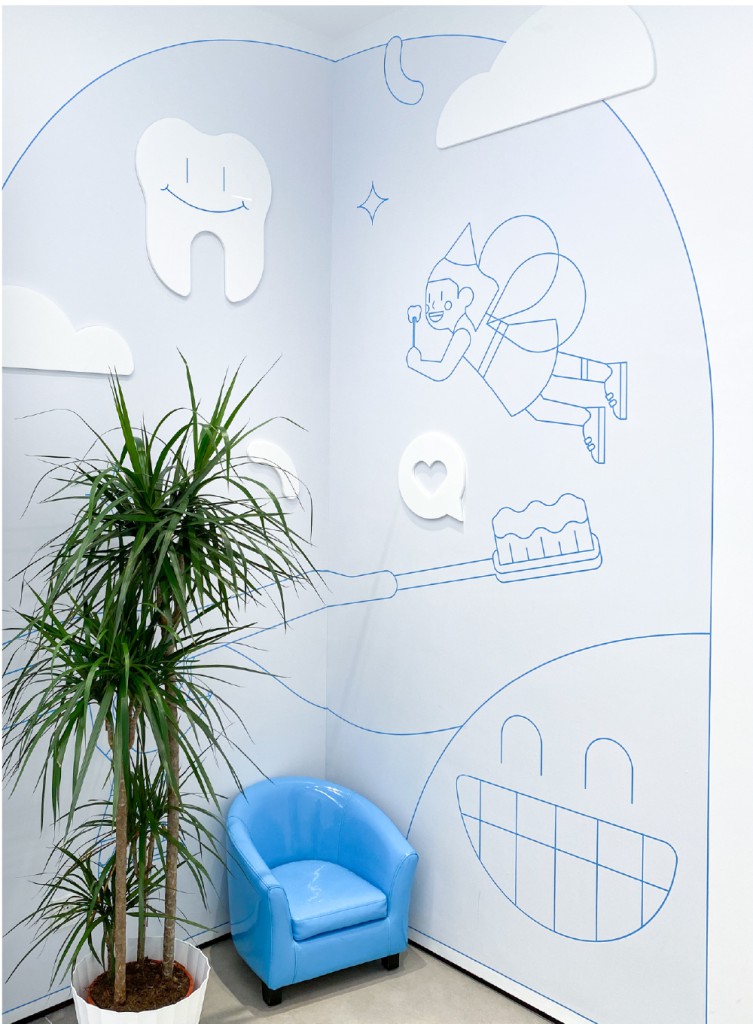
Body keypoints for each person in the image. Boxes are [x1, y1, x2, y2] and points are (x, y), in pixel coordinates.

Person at [406, 221, 627, 464]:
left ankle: (600, 389)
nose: (433, 308)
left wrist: (417, 363)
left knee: (551, 376)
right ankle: (596, 398)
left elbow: (443, 370)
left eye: (442, 300)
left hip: (506, 358)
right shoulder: (465, 327)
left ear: (465, 297)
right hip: (503, 367)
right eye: (430, 302)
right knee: (548, 383)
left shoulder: (463, 332)